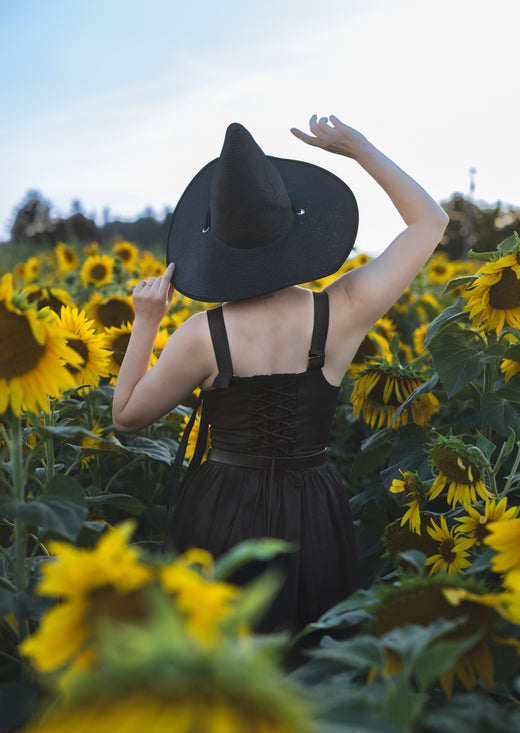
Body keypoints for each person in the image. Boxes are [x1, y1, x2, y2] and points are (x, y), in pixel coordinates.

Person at [112, 115, 449, 633]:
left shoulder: (203, 335)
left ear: (216, 245)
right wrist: (360, 149)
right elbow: (430, 223)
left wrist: (146, 322)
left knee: (218, 661)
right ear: (295, 228)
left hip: (220, 504)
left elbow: (127, 419)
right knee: (309, 659)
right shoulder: (345, 309)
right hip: (311, 507)